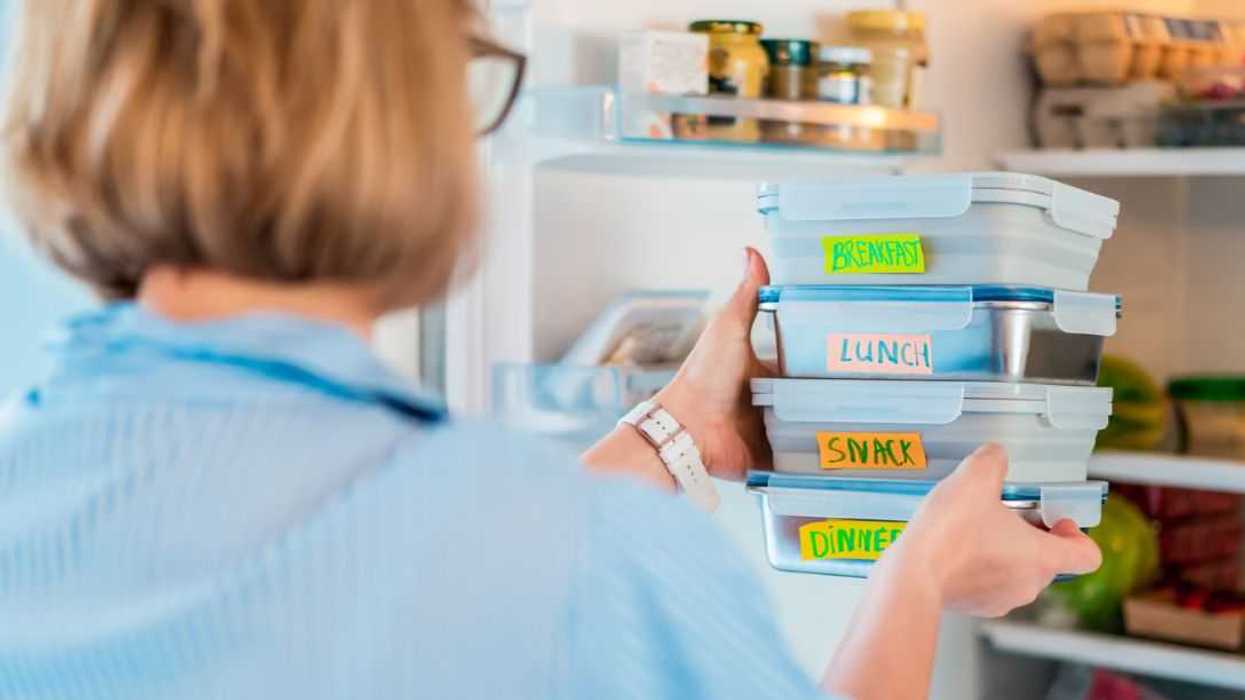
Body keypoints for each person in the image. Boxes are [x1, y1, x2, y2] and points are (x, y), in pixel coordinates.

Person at [0, 1, 1101, 698]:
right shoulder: (581, 557)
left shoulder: (26, 476)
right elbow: (487, 562)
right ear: (399, 114)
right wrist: (922, 573)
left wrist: (676, 431)